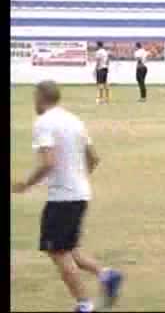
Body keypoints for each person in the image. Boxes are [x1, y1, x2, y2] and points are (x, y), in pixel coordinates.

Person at [12, 81, 123, 312]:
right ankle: (107, 275)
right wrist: (79, 178)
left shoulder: (44, 122)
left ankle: (84, 305)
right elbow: (93, 158)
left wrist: (26, 185)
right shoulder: (74, 120)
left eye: (35, 97)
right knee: (71, 249)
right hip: (80, 193)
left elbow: (48, 162)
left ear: (41, 98)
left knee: (57, 251)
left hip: (62, 198)